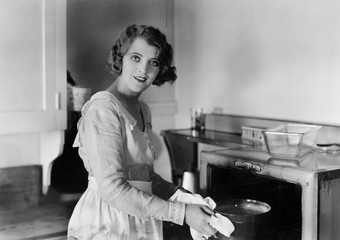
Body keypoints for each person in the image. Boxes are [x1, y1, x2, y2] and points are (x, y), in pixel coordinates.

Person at [67, 24, 217, 240]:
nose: (143, 70)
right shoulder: (103, 108)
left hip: (139, 215)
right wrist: (182, 213)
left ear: (160, 70)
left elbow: (145, 177)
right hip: (108, 220)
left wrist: (181, 196)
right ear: (121, 58)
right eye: (135, 58)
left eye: (153, 62)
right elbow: (113, 189)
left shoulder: (142, 110)